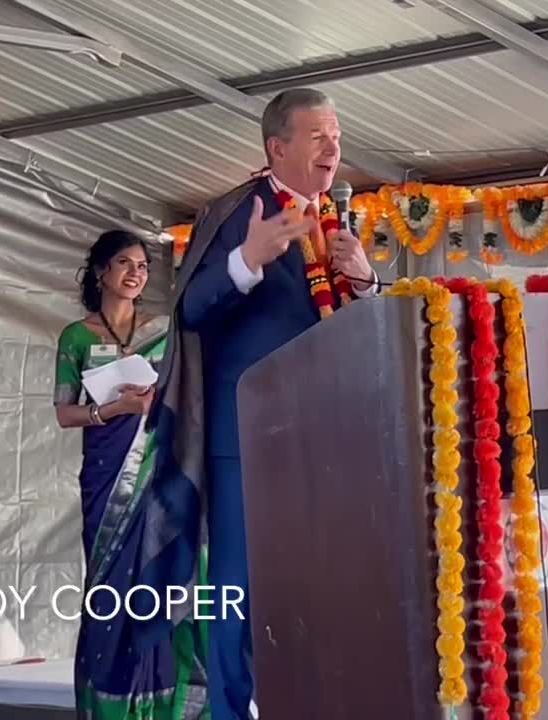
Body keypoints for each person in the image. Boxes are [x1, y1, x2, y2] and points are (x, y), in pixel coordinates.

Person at [133, 87, 380, 719]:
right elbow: (190, 307)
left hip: (325, 438)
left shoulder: (337, 223)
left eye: (337, 136)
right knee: (239, 594)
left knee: (319, 588)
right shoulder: (237, 212)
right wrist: (248, 258)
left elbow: (352, 326)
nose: (334, 149)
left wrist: (368, 281)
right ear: (278, 146)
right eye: (319, 137)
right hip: (248, 437)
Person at [52, 231, 201, 718]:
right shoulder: (77, 337)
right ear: (100, 272)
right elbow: (64, 413)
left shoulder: (163, 330)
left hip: (157, 469)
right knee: (110, 583)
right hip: (106, 473)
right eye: (124, 263)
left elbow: (184, 392)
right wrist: (115, 408)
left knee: (158, 579)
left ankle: (159, 700)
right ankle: (109, 699)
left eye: (142, 265)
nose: (136, 272)